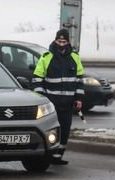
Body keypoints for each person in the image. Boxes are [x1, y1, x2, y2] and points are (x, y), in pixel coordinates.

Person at [32, 28, 84, 165]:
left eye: (64, 41)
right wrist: (44, 99)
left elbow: (79, 80)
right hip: (52, 103)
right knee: (51, 129)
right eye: (59, 41)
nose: (61, 44)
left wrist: (78, 98)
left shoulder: (75, 57)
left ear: (68, 42)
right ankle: (49, 155)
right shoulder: (46, 57)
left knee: (65, 129)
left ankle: (58, 156)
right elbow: (37, 79)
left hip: (67, 103)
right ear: (55, 40)